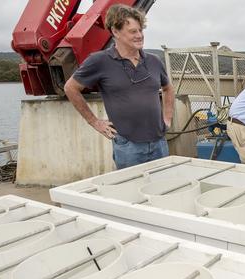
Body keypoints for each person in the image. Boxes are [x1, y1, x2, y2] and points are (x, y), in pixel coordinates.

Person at [64, 4, 174, 170]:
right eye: (132, 31)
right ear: (115, 31)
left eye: (140, 30)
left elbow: (168, 88)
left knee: (162, 191)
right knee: (130, 193)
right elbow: (70, 88)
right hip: (128, 147)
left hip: (159, 143)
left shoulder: (154, 61)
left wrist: (167, 118)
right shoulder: (99, 61)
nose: (139, 36)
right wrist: (94, 122)